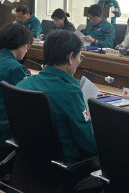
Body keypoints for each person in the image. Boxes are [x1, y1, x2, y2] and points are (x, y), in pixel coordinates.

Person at [17, 31, 97, 163]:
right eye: (79, 57)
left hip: (28, 160)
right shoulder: (69, 91)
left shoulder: (23, 84)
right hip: (66, 164)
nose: (79, 61)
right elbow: (90, 142)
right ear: (70, 57)